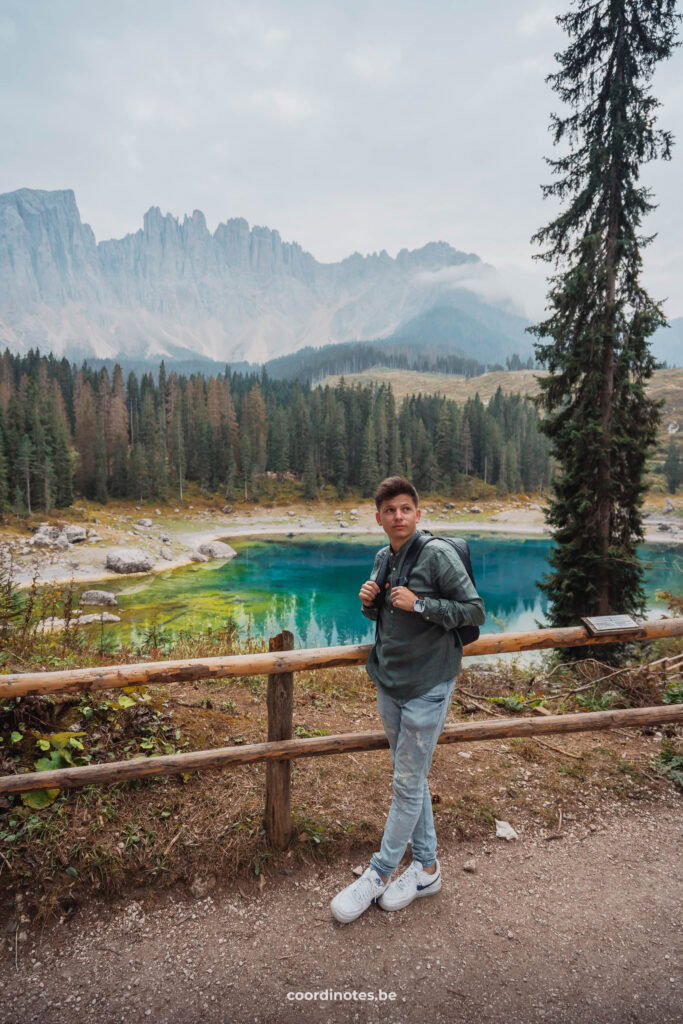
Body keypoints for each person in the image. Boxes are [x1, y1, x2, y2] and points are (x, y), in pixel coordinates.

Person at [330, 476, 485, 924]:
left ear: (417, 514)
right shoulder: (383, 558)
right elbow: (386, 618)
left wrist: (421, 605)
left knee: (405, 782)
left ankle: (377, 874)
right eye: (389, 510)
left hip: (429, 685)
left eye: (405, 509)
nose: (397, 516)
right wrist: (368, 602)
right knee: (409, 779)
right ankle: (428, 869)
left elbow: (474, 610)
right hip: (390, 682)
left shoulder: (437, 554)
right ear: (378, 519)